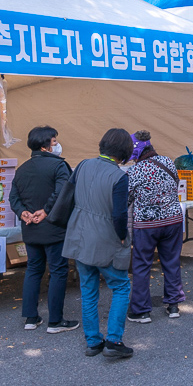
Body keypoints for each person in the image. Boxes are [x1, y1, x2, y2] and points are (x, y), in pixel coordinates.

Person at [62, 128, 134, 359]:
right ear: (125, 152)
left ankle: (93, 341)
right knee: (121, 287)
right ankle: (113, 340)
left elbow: (68, 195)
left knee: (88, 290)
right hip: (105, 238)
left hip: (80, 235)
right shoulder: (120, 177)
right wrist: (122, 236)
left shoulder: (83, 165)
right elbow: (120, 215)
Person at [9, 125, 79, 334]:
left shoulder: (22, 169)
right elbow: (62, 193)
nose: (57, 144)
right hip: (54, 227)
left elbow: (14, 198)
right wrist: (46, 211)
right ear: (45, 145)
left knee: (33, 269)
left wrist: (23, 212)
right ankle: (55, 321)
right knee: (58, 271)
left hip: (30, 228)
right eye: (55, 141)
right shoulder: (59, 166)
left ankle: (31, 318)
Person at [126, 131, 184, 322]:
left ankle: (142, 311)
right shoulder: (168, 162)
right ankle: (173, 305)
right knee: (171, 262)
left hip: (146, 224)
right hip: (173, 220)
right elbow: (175, 184)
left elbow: (127, 198)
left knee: (142, 265)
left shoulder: (134, 171)